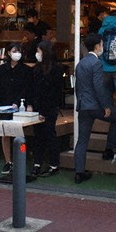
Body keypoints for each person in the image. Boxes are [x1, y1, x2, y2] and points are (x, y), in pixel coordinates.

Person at [74, 32, 116, 184]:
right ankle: (109, 150)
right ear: (97, 46)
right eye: (101, 44)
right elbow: (99, 87)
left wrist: (79, 102)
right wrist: (106, 106)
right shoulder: (97, 63)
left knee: (82, 140)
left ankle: (79, 172)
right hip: (95, 105)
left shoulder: (80, 63)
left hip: (83, 105)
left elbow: (78, 87)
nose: (102, 47)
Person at [0, 43, 32, 175]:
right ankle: (8, 161)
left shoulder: (26, 70)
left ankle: (20, 160)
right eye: (14, 51)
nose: (17, 53)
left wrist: (19, 102)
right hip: (4, 104)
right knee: (5, 133)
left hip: (19, 105)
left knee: (19, 133)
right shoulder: (2, 69)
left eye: (19, 51)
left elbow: (26, 88)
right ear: (9, 53)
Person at [28, 41, 65, 178]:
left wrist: (44, 108)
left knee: (49, 134)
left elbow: (56, 92)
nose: (37, 54)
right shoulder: (37, 69)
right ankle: (37, 163)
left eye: (39, 51)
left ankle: (53, 164)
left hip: (49, 107)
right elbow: (32, 88)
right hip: (39, 107)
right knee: (38, 135)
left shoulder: (55, 69)